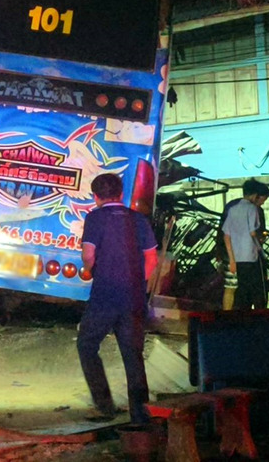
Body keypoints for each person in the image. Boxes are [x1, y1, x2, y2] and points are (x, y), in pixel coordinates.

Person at [78, 173, 158, 424]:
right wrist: (139, 282)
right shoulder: (139, 219)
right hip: (133, 298)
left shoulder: (95, 218)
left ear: (95, 196)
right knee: (133, 354)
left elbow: (88, 254)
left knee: (87, 345)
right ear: (121, 194)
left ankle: (104, 406)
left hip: (104, 296)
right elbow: (152, 258)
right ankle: (140, 415)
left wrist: (89, 270)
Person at [214, 179, 268, 310]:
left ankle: (228, 316)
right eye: (263, 200)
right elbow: (255, 233)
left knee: (230, 288)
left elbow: (223, 232)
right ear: (255, 196)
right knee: (251, 289)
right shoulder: (254, 209)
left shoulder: (231, 207)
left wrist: (220, 251)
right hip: (248, 256)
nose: (262, 203)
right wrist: (260, 241)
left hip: (230, 254)